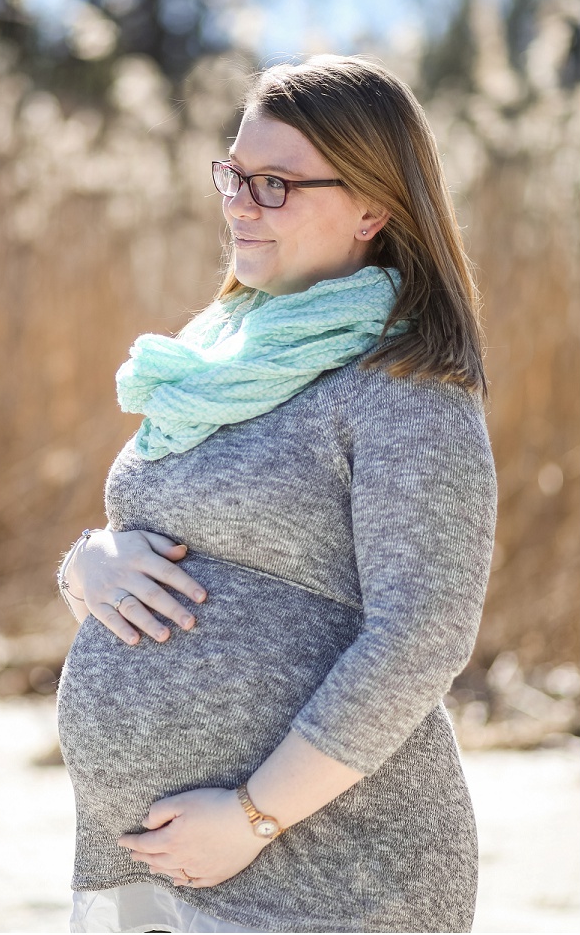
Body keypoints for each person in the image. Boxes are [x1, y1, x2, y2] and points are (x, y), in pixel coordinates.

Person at [56, 54, 497, 935]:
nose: (239, 204)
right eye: (234, 174)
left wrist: (255, 814)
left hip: (326, 878)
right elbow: (148, 534)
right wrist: (87, 568)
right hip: (142, 868)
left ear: (374, 206)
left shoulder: (405, 388)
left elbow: (424, 632)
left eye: (276, 184)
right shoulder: (218, 362)